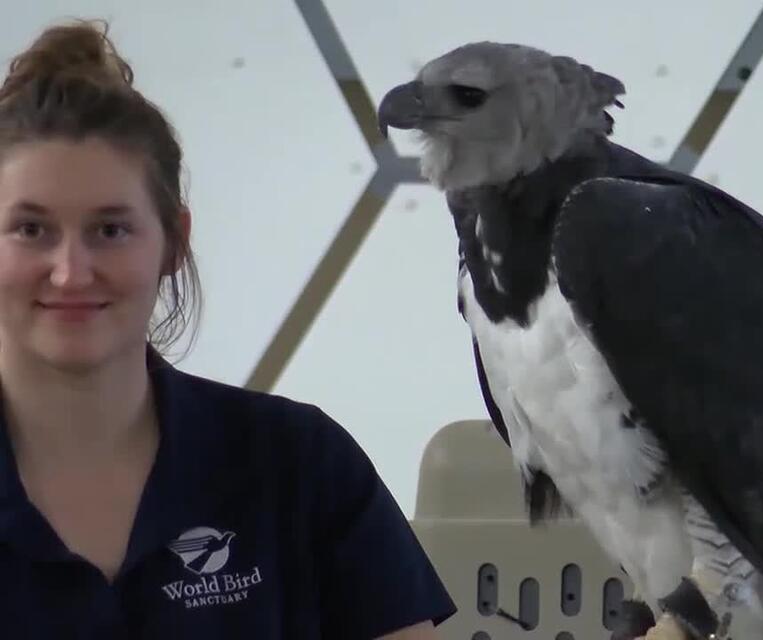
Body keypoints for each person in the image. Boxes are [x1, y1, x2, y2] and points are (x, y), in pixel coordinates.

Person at [0, 19, 456, 639]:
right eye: (32, 229)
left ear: (173, 243)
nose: (71, 272)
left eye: (111, 229)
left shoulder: (301, 466)